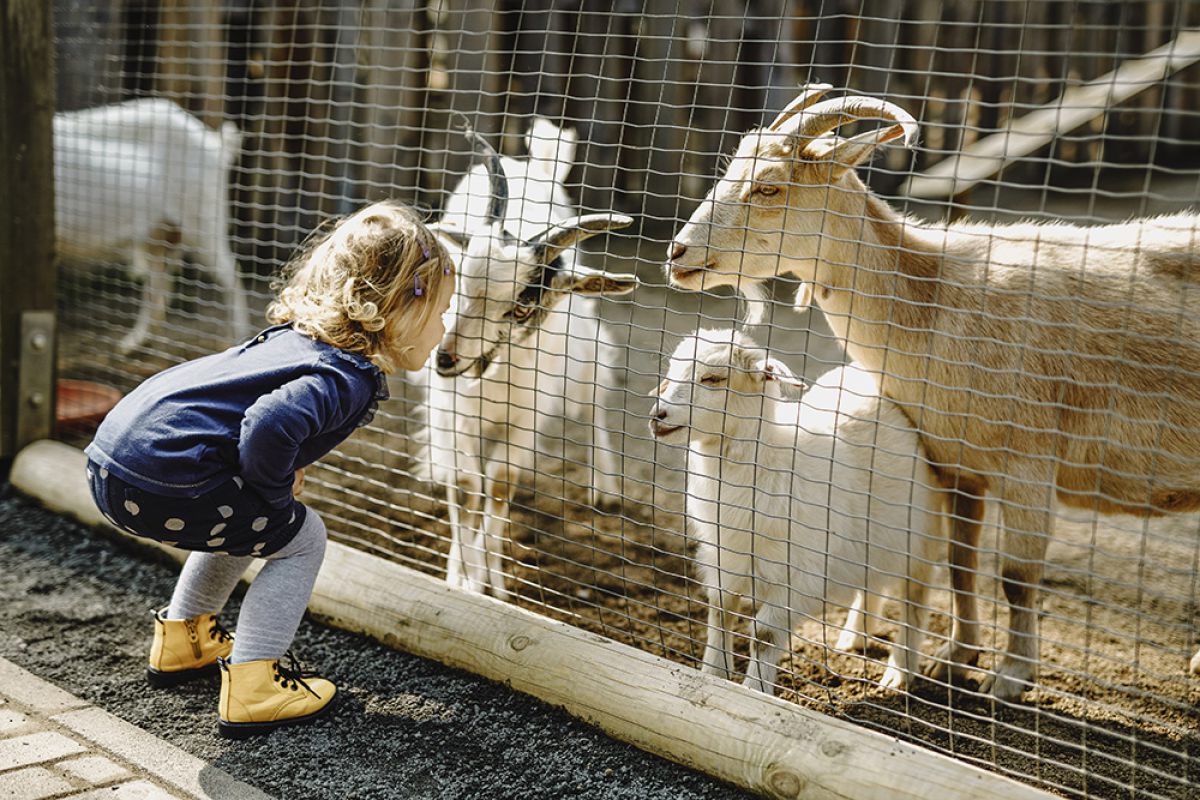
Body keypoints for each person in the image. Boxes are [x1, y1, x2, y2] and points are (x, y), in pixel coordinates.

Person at [84, 200, 455, 738]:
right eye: (441, 310)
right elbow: (271, 424)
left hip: (113, 465)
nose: (446, 326)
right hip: (167, 478)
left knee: (251, 521)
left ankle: (184, 638)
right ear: (398, 308)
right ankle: (256, 682)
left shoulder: (294, 343)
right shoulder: (343, 376)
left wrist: (265, 489)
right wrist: (275, 492)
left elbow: (248, 422)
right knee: (301, 537)